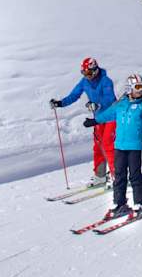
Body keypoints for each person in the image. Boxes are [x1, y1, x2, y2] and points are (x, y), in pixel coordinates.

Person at [83, 74, 142, 219]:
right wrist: (94, 121)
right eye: (138, 87)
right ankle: (120, 203)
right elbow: (108, 114)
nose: (140, 90)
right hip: (119, 146)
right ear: (130, 88)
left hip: (134, 146)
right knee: (119, 175)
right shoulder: (121, 103)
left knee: (135, 176)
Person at [49, 57, 116, 187]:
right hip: (97, 119)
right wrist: (60, 103)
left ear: (95, 70)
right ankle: (100, 176)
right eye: (84, 73)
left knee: (109, 145)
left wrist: (97, 105)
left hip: (111, 117)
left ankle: (117, 176)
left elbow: (110, 99)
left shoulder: (106, 81)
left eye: (89, 73)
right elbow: (74, 95)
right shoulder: (84, 82)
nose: (87, 76)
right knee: (98, 147)